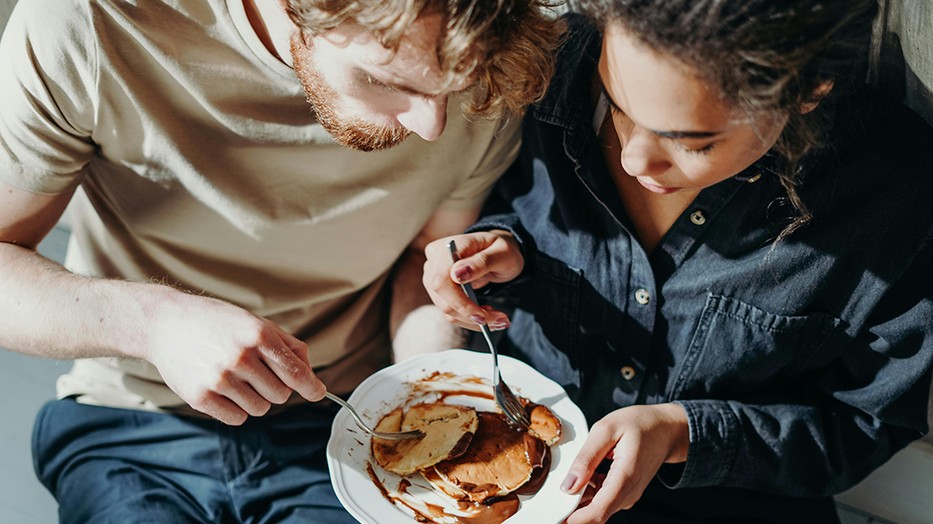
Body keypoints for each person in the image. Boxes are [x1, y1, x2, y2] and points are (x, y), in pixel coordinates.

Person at [0, 0, 563, 521]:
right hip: (132, 418)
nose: (432, 125)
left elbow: (422, 262)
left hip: (346, 424)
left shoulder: (482, 58)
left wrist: (425, 398)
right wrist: (154, 322)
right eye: (389, 81)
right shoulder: (90, 23)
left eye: (450, 92)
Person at [422, 1, 933, 523]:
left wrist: (683, 433)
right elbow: (515, 205)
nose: (632, 158)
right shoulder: (552, 65)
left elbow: (868, 420)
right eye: (616, 106)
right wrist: (501, 248)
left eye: (690, 141)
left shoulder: (893, 197)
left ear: (808, 89)